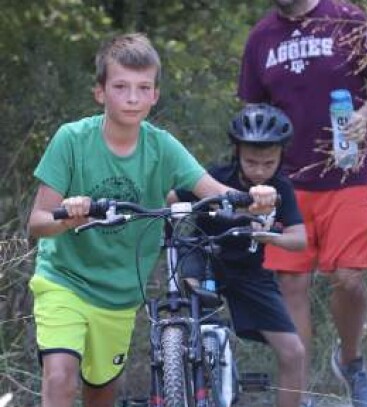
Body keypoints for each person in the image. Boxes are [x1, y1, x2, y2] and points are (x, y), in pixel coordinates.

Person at [27, 33, 278, 407]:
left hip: (120, 296)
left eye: (143, 87)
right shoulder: (71, 141)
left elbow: (213, 191)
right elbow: (37, 223)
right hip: (65, 281)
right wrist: (69, 216)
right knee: (60, 378)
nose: (132, 97)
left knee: (101, 393)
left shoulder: (161, 146)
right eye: (121, 86)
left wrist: (253, 200)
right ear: (100, 92)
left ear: (155, 95)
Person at [237, 1, 367, 407]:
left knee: (349, 278)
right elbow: (253, 109)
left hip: (348, 173)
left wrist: (365, 114)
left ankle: (351, 362)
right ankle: (299, 390)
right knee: (292, 284)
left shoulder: (346, 15)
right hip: (287, 180)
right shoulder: (261, 36)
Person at [169, 103, 307, 407]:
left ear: (281, 156)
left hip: (250, 274)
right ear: (237, 152)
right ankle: (183, 385)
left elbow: (299, 238)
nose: (259, 170)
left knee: (293, 352)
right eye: (251, 161)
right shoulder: (215, 176)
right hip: (204, 261)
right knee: (192, 329)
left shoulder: (281, 188)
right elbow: (171, 198)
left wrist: (268, 235)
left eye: (268, 162)